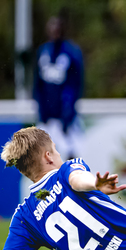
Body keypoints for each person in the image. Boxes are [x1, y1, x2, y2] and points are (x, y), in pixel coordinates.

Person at [33, 15, 84, 159]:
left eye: (58, 28)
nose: (55, 32)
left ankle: (70, 180)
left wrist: (69, 109)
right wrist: (41, 109)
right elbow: (38, 84)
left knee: (70, 152)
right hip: (47, 116)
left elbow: (76, 84)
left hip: (66, 116)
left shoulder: (72, 53)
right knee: (42, 155)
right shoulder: (43, 52)